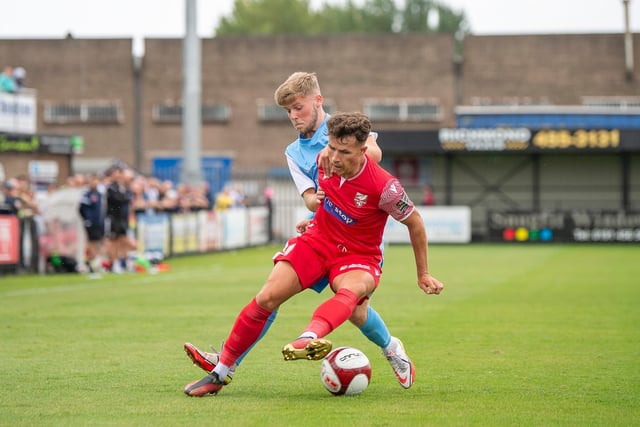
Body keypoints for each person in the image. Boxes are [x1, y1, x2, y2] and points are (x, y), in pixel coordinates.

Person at [184, 112, 444, 397]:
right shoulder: (324, 159)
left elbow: (415, 222)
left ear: (363, 150)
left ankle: (312, 337)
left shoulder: (385, 188)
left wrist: (423, 273)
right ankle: (220, 373)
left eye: (344, 152)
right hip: (318, 240)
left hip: (358, 254)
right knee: (267, 296)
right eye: (332, 147)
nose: (334, 157)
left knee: (352, 296)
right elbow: (331, 197)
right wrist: (315, 216)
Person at [105, 165, 132, 274]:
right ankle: (114, 263)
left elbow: (127, 199)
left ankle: (125, 262)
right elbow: (118, 199)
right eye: (115, 174)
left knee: (124, 240)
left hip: (123, 218)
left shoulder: (123, 187)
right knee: (114, 241)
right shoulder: (111, 188)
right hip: (113, 218)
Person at [78, 174, 104, 275]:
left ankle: (92, 263)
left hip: (98, 222)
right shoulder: (87, 194)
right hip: (90, 223)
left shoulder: (99, 194)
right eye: (93, 181)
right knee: (91, 243)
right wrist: (86, 219)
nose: (95, 183)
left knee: (98, 242)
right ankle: (92, 264)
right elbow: (81, 208)